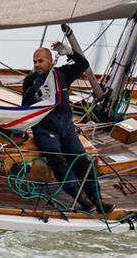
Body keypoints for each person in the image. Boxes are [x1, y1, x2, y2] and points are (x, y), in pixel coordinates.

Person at [22, 43, 113, 214]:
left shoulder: (63, 74)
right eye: (34, 62)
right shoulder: (30, 80)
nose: (37, 65)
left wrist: (70, 53)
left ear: (50, 62)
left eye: (40, 61)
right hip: (44, 129)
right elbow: (24, 108)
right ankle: (82, 199)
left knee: (81, 160)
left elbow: (83, 65)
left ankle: (97, 199)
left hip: (66, 128)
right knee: (57, 159)